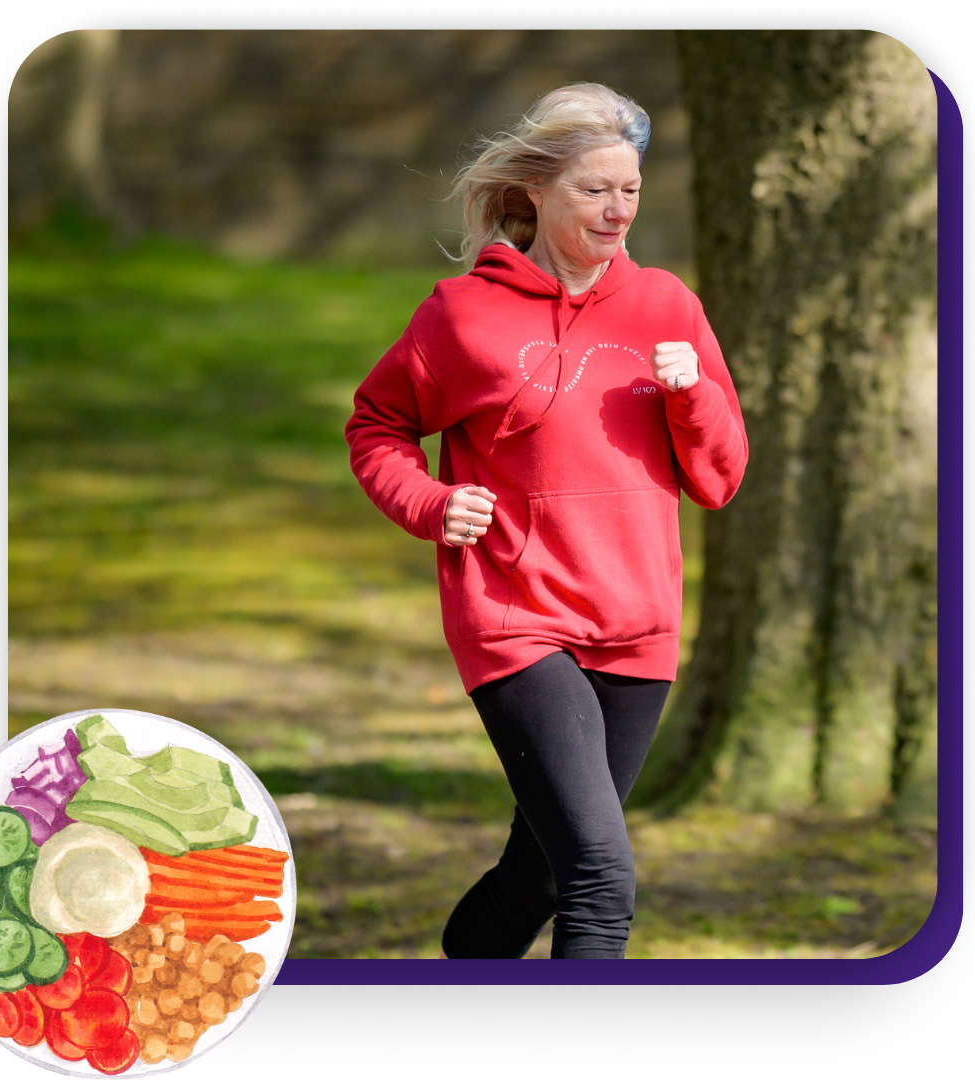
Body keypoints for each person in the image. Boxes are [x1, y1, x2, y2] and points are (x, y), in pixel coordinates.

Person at [345, 83, 748, 959]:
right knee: (601, 873)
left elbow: (719, 479)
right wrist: (431, 503)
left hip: (638, 626)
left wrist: (694, 396)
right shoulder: (462, 315)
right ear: (537, 189)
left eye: (630, 190)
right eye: (594, 190)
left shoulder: (668, 306)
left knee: (541, 877)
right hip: (516, 619)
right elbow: (376, 425)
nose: (617, 210)